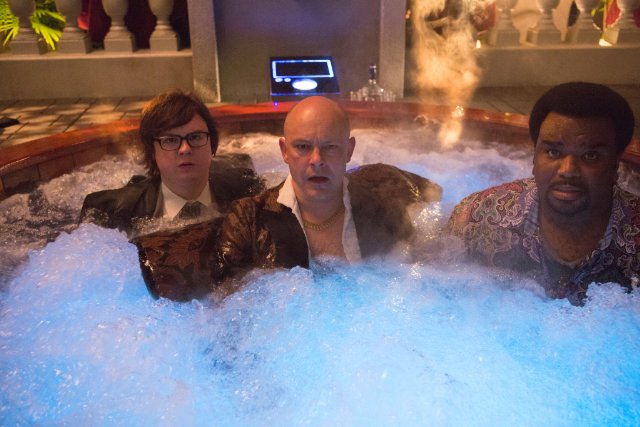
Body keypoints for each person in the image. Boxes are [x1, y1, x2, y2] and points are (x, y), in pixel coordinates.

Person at [448, 82, 639, 305]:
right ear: (534, 158)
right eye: (553, 152)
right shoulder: (477, 218)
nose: (568, 170)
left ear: (615, 164)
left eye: (590, 156)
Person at [215, 96, 442, 282]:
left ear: (349, 150)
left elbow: (415, 282)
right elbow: (223, 303)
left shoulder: (383, 211)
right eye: (303, 147)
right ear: (284, 151)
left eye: (330, 147)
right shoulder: (248, 220)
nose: (317, 160)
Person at [79, 91, 264, 236]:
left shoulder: (247, 191)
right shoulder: (111, 213)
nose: (185, 149)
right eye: (170, 140)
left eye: (195, 137)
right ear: (152, 151)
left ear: (212, 145)